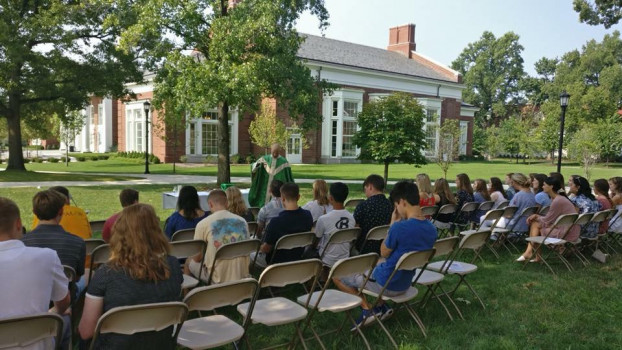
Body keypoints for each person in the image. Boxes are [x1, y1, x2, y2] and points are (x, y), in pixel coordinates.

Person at [333, 181, 437, 330]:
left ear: (402, 202)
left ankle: (367, 309)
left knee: (338, 273)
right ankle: (382, 305)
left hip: (386, 284)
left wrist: (392, 224)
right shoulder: (431, 228)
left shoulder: (399, 228)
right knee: (377, 263)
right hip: (405, 284)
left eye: (396, 205)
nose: (396, 210)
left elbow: (383, 251)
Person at [79, 204, 183, 349]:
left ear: (120, 233)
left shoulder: (106, 273)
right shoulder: (173, 265)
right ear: (156, 231)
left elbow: (86, 332)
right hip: (160, 344)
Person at [0, 197, 71, 350]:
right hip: (39, 344)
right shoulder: (47, 257)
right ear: (18, 224)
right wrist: (53, 312)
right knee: (64, 319)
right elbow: (64, 302)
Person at [23, 190, 86, 298]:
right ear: (61, 211)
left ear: (34, 212)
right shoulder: (77, 242)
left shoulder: (22, 243)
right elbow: (76, 278)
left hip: (31, 296)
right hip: (66, 296)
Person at [186, 190, 250, 283]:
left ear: (210, 204)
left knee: (189, 261)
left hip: (217, 278)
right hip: (242, 275)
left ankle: (187, 293)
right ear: (227, 203)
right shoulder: (242, 221)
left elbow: (197, 258)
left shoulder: (203, 224)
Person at [518, 177, 579, 262]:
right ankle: (532, 254)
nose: (542, 187)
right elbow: (551, 218)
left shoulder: (558, 200)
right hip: (570, 229)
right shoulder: (559, 198)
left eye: (544, 185)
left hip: (567, 232)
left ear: (551, 186)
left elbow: (547, 220)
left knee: (535, 224)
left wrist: (536, 216)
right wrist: (537, 217)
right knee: (535, 224)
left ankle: (531, 253)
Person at [252, 183, 313, 267]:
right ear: (298, 197)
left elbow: (266, 249)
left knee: (249, 253)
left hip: (276, 262)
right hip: (298, 257)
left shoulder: (276, 222)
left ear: (282, 198)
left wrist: (258, 248)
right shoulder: (308, 215)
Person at [314, 182, 355, 267]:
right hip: (344, 257)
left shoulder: (323, 219)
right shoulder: (352, 218)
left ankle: (321, 277)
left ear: (331, 198)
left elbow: (316, 241)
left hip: (327, 258)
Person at [353, 174, 393, 254]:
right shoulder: (390, 205)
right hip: (383, 247)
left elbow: (355, 230)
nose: (365, 192)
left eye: (365, 189)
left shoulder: (363, 206)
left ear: (370, 187)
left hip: (363, 249)